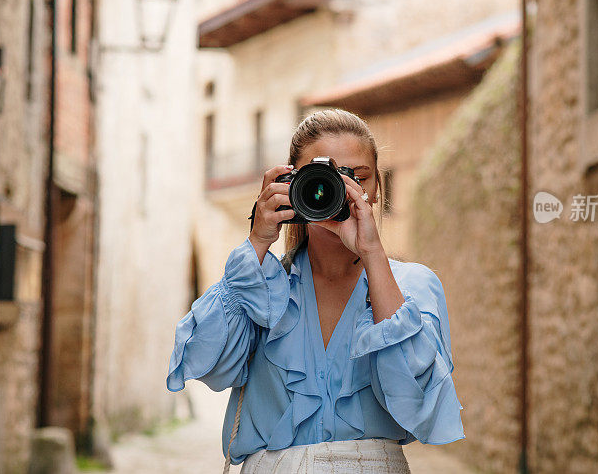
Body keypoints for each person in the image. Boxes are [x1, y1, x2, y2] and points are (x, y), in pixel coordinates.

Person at [166, 108, 464, 473]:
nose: (339, 189)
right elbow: (206, 362)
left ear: (375, 189)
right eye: (322, 178)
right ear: (292, 184)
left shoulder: (413, 288)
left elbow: (417, 402)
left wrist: (372, 252)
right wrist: (258, 241)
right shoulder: (260, 286)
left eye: (358, 177)